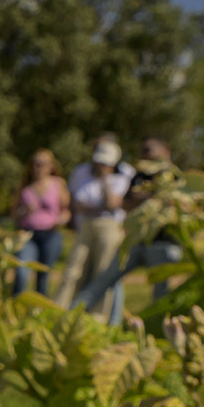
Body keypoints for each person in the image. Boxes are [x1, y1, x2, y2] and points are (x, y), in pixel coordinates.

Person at [74, 137, 180, 321]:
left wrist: (150, 198)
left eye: (149, 149)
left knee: (161, 290)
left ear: (165, 150)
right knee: (107, 278)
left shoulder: (176, 176)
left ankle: (161, 327)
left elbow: (176, 205)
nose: (145, 154)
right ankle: (75, 314)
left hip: (163, 243)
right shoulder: (138, 176)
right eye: (143, 151)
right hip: (136, 242)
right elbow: (125, 204)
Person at [54, 137, 133, 315]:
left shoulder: (125, 174)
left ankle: (99, 315)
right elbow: (76, 204)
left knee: (103, 271)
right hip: (85, 227)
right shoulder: (81, 172)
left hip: (111, 227)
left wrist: (104, 180)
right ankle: (59, 309)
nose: (100, 165)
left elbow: (112, 203)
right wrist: (98, 207)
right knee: (73, 270)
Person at [10, 149, 70, 297]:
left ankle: (38, 311)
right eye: (35, 164)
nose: (38, 167)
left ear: (51, 166)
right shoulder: (24, 186)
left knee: (43, 275)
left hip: (50, 234)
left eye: (42, 164)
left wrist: (61, 220)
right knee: (21, 271)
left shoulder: (58, 184)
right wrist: (24, 211)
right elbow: (13, 214)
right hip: (27, 235)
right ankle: (15, 306)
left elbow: (67, 210)